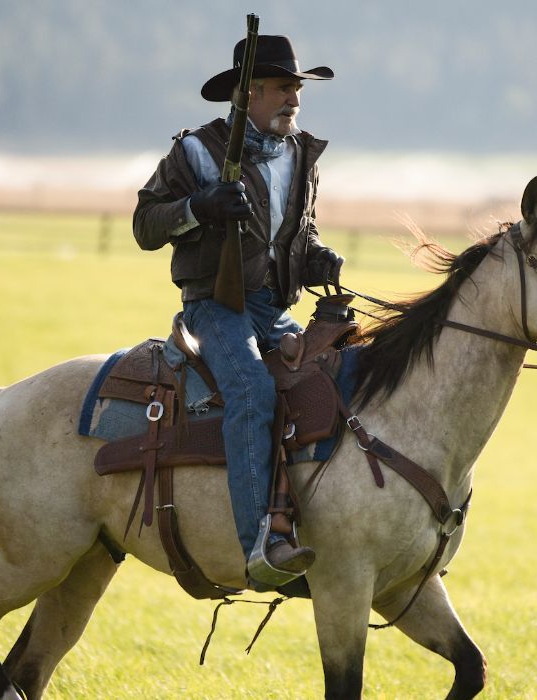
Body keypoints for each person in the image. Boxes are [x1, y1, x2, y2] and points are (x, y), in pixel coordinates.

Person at [132, 34, 344, 587]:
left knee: (336, 376)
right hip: (214, 309)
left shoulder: (300, 155)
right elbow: (145, 225)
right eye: (282, 87)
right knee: (251, 388)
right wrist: (198, 207)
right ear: (248, 92)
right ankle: (261, 543)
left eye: (297, 88)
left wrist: (316, 259)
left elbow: (298, 233)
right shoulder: (196, 152)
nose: (294, 99)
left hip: (273, 309)